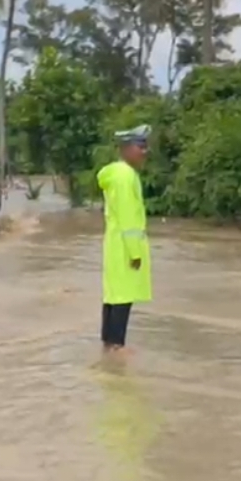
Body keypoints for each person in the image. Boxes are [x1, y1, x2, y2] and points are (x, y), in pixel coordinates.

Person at [96, 124, 152, 352]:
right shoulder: (126, 177)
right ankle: (116, 349)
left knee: (113, 297)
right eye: (140, 146)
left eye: (146, 146)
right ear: (127, 148)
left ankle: (108, 347)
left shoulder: (116, 174)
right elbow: (130, 219)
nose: (144, 152)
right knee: (122, 300)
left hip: (114, 246)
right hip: (125, 249)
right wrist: (136, 253)